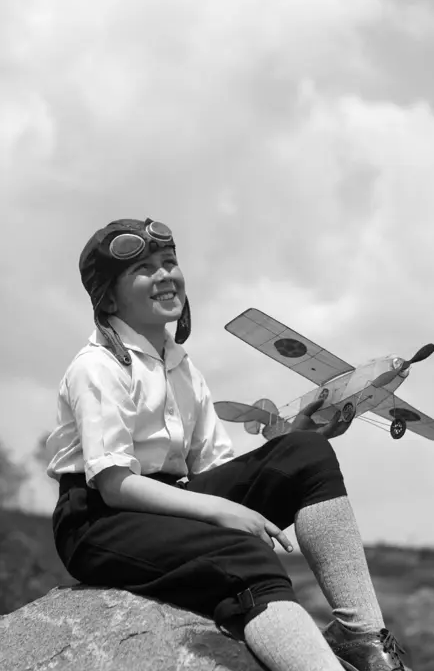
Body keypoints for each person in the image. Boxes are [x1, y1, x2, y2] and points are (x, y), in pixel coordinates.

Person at [46, 218, 410, 671]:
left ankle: (361, 635)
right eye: (144, 269)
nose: (164, 275)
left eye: (169, 262)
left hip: (172, 496)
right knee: (245, 554)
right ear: (110, 296)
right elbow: (116, 485)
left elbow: (216, 468)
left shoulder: (181, 366)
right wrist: (223, 511)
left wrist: (288, 440)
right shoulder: (96, 367)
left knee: (305, 453)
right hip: (101, 519)